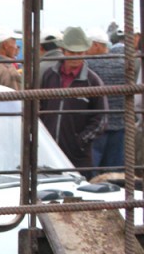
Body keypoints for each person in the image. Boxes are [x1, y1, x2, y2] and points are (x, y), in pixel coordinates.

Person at [40, 26, 108, 179]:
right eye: (72, 52)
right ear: (63, 51)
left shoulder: (93, 81)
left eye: (79, 53)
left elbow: (101, 119)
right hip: (50, 151)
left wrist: (80, 141)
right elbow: (40, 107)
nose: (76, 57)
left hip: (78, 156)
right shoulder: (49, 75)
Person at [86, 28, 125, 175]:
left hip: (96, 125)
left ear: (96, 45)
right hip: (120, 124)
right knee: (114, 172)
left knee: (92, 169)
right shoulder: (122, 63)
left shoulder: (89, 65)